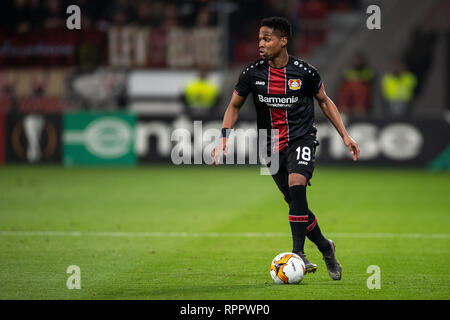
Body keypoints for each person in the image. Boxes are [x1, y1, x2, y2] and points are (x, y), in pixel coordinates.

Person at [212, 17, 360, 280]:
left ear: (283, 41)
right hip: (269, 145)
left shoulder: (306, 72)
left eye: (266, 38)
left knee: (296, 184)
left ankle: (298, 253)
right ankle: (326, 247)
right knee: (295, 203)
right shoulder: (252, 73)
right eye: (259, 38)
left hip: (301, 138)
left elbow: (325, 102)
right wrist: (224, 137)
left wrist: (345, 136)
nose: (261, 43)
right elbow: (234, 106)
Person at [337, 52, 374, 116]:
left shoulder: (368, 71)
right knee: (347, 88)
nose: (357, 62)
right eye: (356, 60)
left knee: (361, 88)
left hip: (362, 103)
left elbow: (369, 81)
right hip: (350, 101)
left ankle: (359, 109)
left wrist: (357, 80)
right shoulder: (347, 72)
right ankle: (344, 108)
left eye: (359, 60)